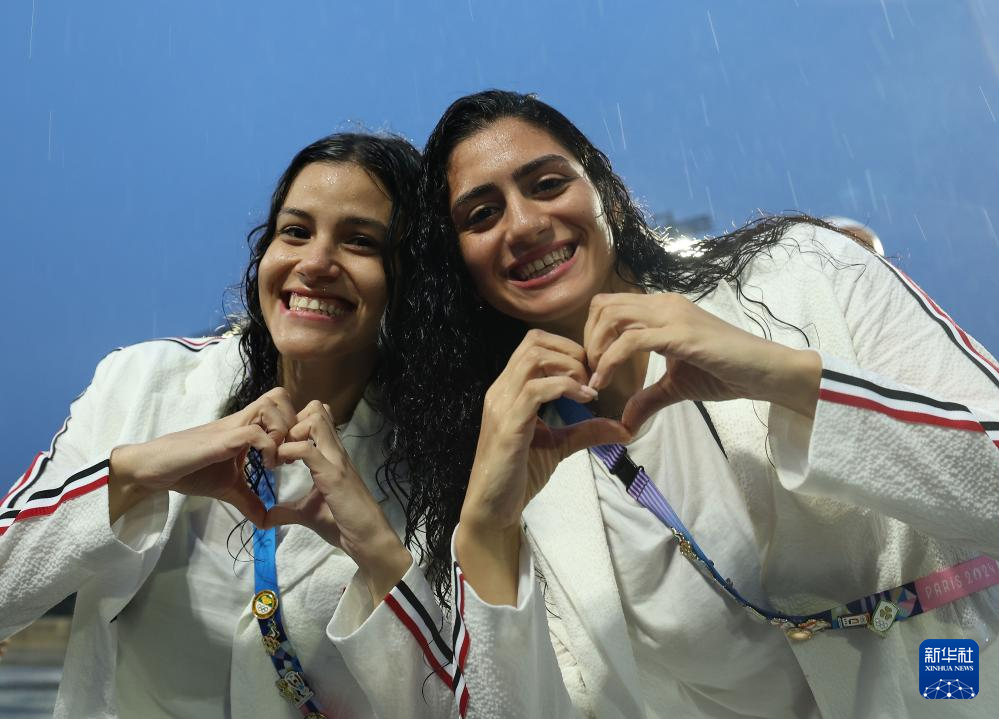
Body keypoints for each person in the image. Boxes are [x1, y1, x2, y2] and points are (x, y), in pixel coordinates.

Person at [330, 91, 999, 718]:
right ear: (463, 272)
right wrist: (484, 527)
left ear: (610, 198)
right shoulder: (515, 470)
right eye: (481, 215)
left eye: (548, 184)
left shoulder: (800, 272)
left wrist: (782, 375)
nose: (525, 224)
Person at [0, 132, 423, 719]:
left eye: (361, 242)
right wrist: (132, 474)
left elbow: (448, 691)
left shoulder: (435, 456)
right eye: (295, 231)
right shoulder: (143, 383)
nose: (315, 263)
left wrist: (378, 551)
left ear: (412, 280)